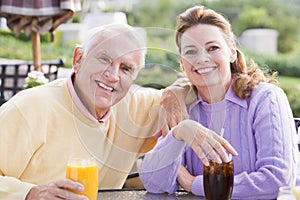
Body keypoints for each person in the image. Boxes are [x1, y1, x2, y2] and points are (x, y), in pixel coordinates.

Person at [0, 23, 236, 200]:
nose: (112, 76)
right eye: (103, 59)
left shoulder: (135, 107)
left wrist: (175, 91)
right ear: (78, 58)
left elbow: (200, 80)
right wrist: (30, 193)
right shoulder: (29, 108)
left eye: (125, 68)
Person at [139, 5, 300, 199]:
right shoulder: (184, 108)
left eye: (213, 48)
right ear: (182, 63)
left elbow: (277, 181)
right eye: (191, 51)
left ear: (232, 52)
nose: (202, 59)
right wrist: (179, 132)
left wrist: (192, 183)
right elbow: (154, 184)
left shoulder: (266, 99)